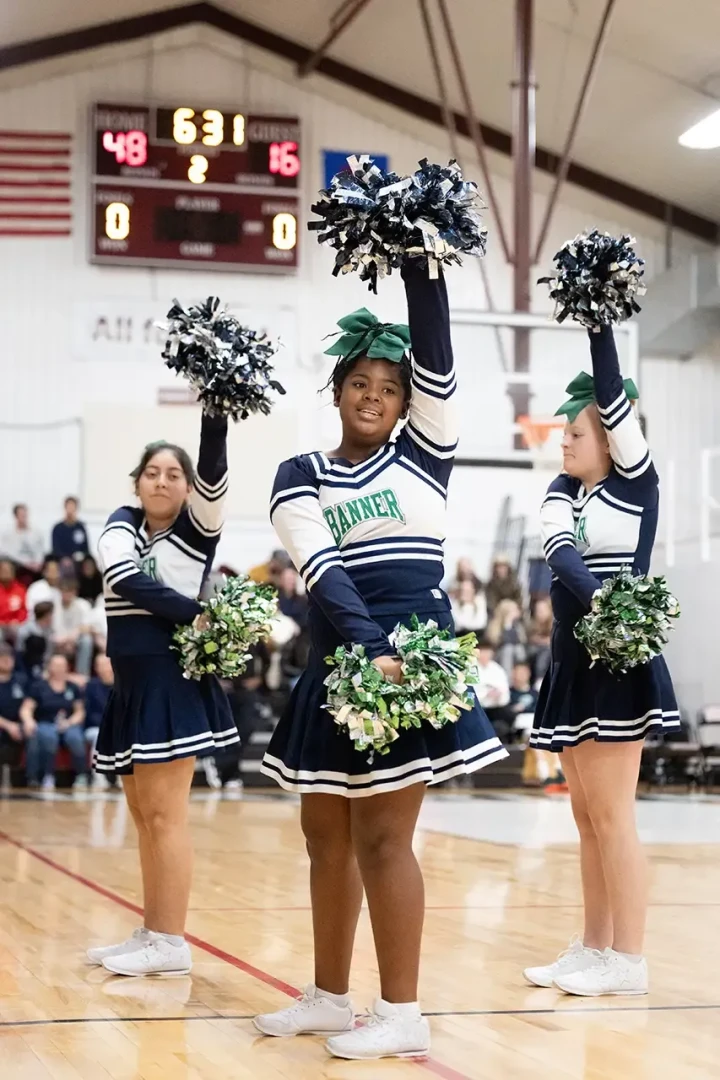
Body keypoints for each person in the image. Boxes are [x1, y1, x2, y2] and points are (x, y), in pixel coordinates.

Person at [254, 263, 507, 1060]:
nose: (374, 395)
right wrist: (369, 651)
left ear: (405, 404)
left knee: (386, 839)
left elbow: (437, 356)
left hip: (414, 652)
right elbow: (320, 565)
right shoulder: (301, 475)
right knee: (322, 832)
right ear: (335, 392)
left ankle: (403, 1011)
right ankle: (331, 997)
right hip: (347, 650)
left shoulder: (427, 455)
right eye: (358, 382)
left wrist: (417, 263)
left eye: (388, 388)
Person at [523, 324, 679, 998]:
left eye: (575, 433)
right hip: (572, 662)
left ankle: (630, 958)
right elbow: (558, 553)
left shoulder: (636, 483)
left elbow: (613, 395)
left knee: (615, 817)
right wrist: (597, 604)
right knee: (584, 817)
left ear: (612, 439)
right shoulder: (565, 492)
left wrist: (598, 324)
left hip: (616, 665)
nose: (564, 442)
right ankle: (594, 946)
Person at [88, 412, 238, 978]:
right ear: (137, 482)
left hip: (169, 682)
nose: (162, 481)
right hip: (129, 683)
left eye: (175, 474)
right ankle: (153, 930)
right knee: (144, 815)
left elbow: (216, 468)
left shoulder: (198, 531)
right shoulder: (119, 525)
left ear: (189, 486)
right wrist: (196, 612)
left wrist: (215, 413)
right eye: (152, 472)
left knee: (165, 815)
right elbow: (123, 577)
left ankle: (171, 941)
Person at [20, 653, 86, 792]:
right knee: (49, 737)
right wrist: (28, 721)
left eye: (62, 665)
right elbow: (26, 708)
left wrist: (69, 722)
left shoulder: (73, 687)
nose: (59, 668)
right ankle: (48, 775)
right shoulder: (39, 686)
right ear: (50, 667)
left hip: (67, 723)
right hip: (46, 722)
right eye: (56, 665)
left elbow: (80, 711)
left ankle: (81, 776)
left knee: (76, 738)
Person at [84, 653, 114, 790]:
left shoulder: (121, 685)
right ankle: (98, 775)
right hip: (94, 727)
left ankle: (122, 777)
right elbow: (89, 712)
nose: (104, 668)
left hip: (116, 726)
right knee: (99, 735)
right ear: (96, 668)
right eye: (100, 665)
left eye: (106, 664)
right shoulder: (91, 686)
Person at [53, 579, 94, 676]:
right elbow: (50, 628)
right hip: (58, 641)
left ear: (75, 592)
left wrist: (74, 634)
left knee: (86, 640)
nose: (67, 594)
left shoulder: (83, 605)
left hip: (75, 641)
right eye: (64, 591)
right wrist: (62, 640)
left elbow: (88, 627)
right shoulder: (54, 606)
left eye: (69, 591)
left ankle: (82, 675)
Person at [474, 639, 513, 742]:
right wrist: (486, 695)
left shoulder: (497, 670)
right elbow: (468, 694)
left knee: (508, 713)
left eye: (488, 651)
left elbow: (505, 694)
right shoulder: (469, 668)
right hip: (478, 708)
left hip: (496, 708)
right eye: (483, 651)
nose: (486, 654)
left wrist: (498, 695)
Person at [0, 643, 27, 774]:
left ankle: (30, 777)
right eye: (2, 657)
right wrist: (8, 725)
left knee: (34, 732)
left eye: (10, 657)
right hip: (3, 724)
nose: (7, 661)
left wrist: (27, 721)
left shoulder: (21, 680)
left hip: (19, 724)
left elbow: (29, 703)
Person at [485, 597, 528, 675]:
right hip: (499, 655)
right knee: (508, 649)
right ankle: (508, 680)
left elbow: (519, 641)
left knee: (518, 648)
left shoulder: (518, 625)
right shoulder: (495, 626)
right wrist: (507, 625)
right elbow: (503, 642)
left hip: (516, 654)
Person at [0, 504, 45, 577]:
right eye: (21, 515)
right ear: (16, 516)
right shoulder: (8, 534)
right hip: (18, 566)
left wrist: (38, 562)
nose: (24, 517)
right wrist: (26, 563)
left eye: (25, 514)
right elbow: (8, 554)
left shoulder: (36, 533)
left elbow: (40, 550)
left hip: (35, 566)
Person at [15, 601, 55, 677]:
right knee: (35, 640)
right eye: (51, 614)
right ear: (47, 615)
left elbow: (48, 652)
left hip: (42, 664)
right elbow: (19, 649)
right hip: (26, 662)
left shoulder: (50, 631)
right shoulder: (26, 629)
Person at [51, 497, 89, 566]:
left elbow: (86, 549)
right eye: (69, 507)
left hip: (78, 563)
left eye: (72, 507)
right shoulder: (57, 528)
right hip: (62, 563)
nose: (70, 510)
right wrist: (64, 558)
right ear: (65, 508)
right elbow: (56, 549)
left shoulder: (80, 528)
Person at [0, 559, 27, 639]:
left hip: (15, 624)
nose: (6, 573)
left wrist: (18, 621)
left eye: (8, 570)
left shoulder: (20, 589)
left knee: (22, 633)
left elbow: (24, 610)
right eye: (3, 570)